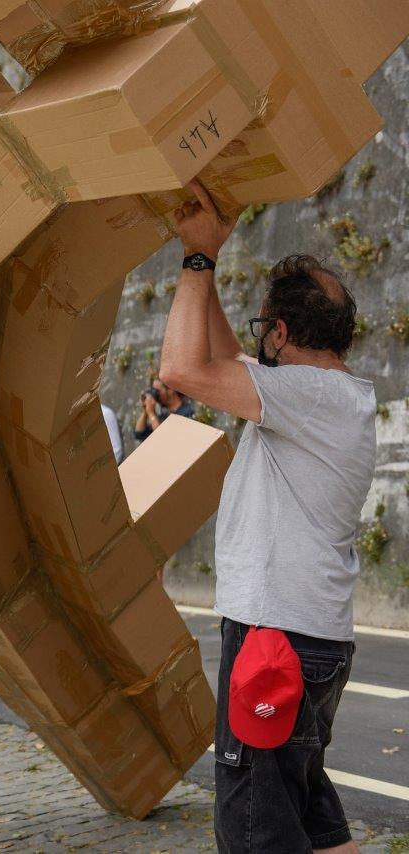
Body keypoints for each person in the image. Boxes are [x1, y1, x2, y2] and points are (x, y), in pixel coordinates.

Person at [159, 180, 374, 854]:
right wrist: (211, 261)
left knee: (257, 828)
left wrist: (195, 259)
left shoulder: (306, 396)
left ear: (282, 332)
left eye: (266, 331)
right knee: (307, 810)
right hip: (310, 638)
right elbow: (225, 360)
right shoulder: (330, 394)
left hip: (275, 639)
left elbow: (184, 368)